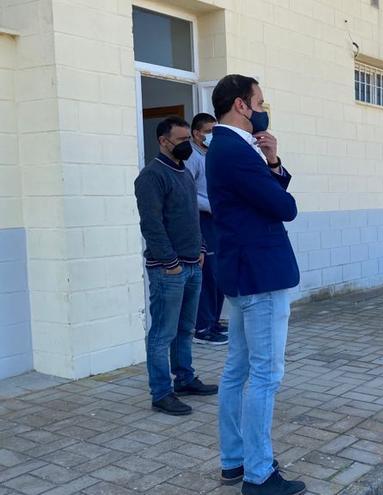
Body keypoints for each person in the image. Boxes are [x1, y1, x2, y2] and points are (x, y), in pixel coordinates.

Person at [207, 74, 305, 495]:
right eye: (260, 101)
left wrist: (274, 161)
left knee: (237, 371)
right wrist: (268, 167)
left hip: (242, 273)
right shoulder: (235, 149)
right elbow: (284, 207)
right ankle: (259, 474)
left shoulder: (225, 148)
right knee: (265, 374)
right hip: (260, 276)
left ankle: (235, 461)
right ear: (242, 106)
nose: (264, 108)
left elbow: (266, 193)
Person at [134, 116, 218, 416]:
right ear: (163, 141)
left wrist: (201, 249)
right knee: (162, 333)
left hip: (192, 263)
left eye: (188, 140)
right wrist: (169, 263)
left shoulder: (184, 173)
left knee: (185, 329)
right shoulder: (151, 176)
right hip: (168, 269)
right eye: (182, 141)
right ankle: (161, 393)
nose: (188, 146)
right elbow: (152, 225)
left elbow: (192, 217)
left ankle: (184, 379)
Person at [184, 112, 228, 346]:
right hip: (202, 219)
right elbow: (187, 192)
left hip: (217, 219)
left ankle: (214, 321)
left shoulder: (211, 154)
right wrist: (211, 206)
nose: (212, 135)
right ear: (196, 133)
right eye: (209, 131)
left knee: (219, 274)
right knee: (207, 275)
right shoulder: (191, 156)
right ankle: (202, 327)